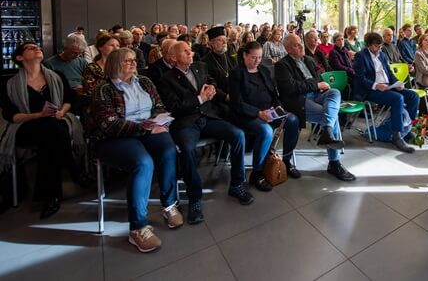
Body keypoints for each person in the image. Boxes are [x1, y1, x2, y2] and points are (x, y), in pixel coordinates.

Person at [89, 48, 182, 252]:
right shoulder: (103, 89)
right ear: (114, 64)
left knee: (168, 150)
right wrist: (145, 128)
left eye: (133, 60)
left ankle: (169, 204)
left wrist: (158, 121)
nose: (133, 64)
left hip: (145, 130)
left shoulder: (145, 82)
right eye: (126, 61)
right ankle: (138, 227)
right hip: (113, 138)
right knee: (143, 163)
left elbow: (158, 105)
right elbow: (109, 124)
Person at [159, 42, 253, 215]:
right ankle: (194, 197)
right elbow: (174, 107)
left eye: (190, 50)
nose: (191, 53)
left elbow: (211, 82)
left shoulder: (200, 67)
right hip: (186, 122)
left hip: (208, 117)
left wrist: (212, 88)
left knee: (238, 134)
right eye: (185, 52)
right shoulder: (166, 79)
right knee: (187, 150)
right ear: (174, 58)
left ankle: (237, 184)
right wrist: (200, 99)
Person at [0, 42, 85, 219]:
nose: (36, 48)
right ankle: (73, 168)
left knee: (51, 137)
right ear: (19, 58)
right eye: (30, 48)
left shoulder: (56, 76)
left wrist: (61, 111)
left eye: (37, 46)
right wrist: (39, 114)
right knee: (53, 131)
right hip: (26, 126)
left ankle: (52, 195)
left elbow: (70, 100)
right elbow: (12, 116)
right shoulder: (10, 84)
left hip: (56, 123)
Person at [275, 35, 355, 181]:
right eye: (296, 45)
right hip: (299, 100)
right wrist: (316, 85)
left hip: (316, 94)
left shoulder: (309, 60)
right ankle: (334, 162)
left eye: (300, 44)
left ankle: (327, 131)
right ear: (287, 49)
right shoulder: (282, 65)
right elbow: (292, 87)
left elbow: (318, 79)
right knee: (331, 116)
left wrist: (319, 85)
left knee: (335, 92)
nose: (300, 47)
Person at [229, 42, 301, 190]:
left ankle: (286, 160)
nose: (257, 61)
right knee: (266, 131)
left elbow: (273, 93)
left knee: (293, 120)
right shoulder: (237, 73)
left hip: (268, 111)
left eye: (260, 57)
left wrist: (278, 105)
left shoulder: (263, 69)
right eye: (253, 57)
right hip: (247, 115)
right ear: (245, 55)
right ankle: (257, 172)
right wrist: (258, 113)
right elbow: (237, 103)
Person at [353, 32, 419, 153]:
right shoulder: (360, 56)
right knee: (397, 98)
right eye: (375, 46)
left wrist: (398, 83)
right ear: (368, 45)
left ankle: (407, 129)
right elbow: (360, 78)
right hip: (371, 89)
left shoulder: (382, 55)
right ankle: (396, 135)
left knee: (413, 96)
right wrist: (376, 85)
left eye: (380, 46)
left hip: (387, 86)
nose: (378, 48)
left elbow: (389, 73)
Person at [201, 26, 237, 115]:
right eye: (220, 40)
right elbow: (209, 84)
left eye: (225, 39)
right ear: (211, 44)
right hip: (218, 99)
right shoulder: (204, 62)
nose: (225, 42)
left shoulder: (230, 57)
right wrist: (225, 97)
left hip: (236, 94)